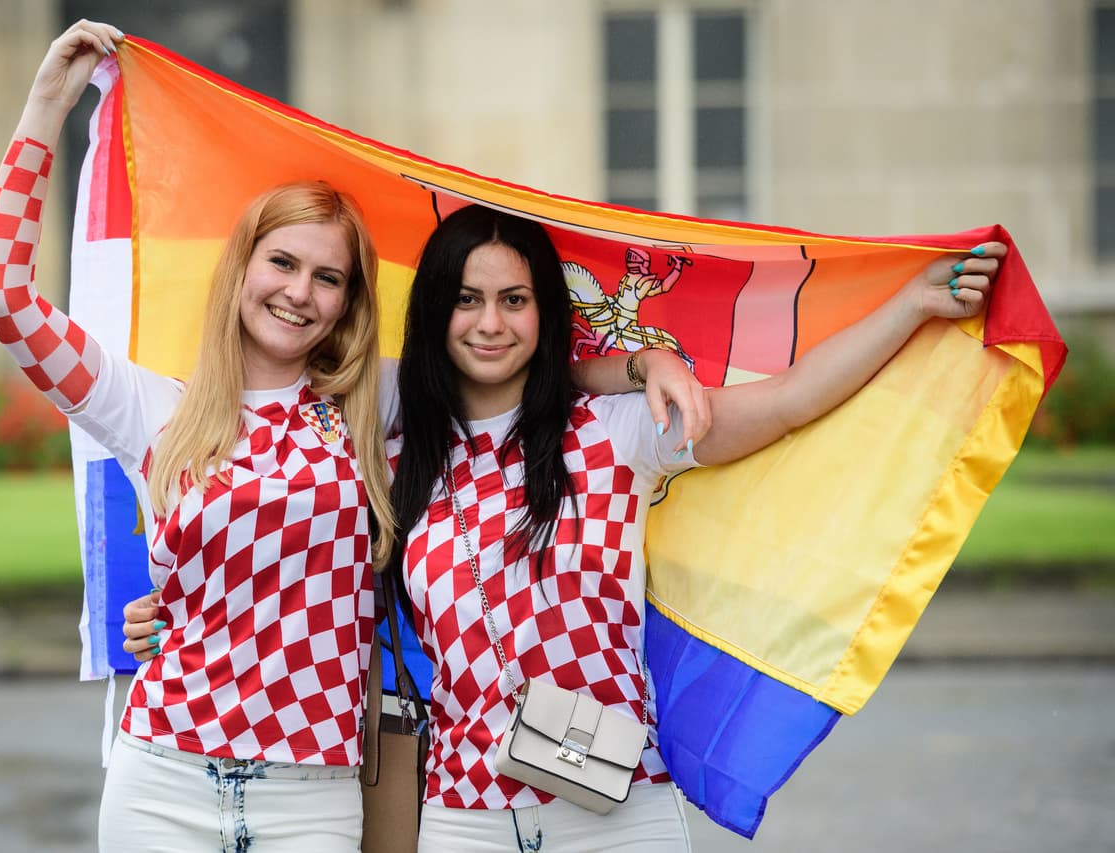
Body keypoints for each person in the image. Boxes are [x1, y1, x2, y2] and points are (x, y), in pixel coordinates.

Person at [382, 205, 1003, 852]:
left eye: (515, 299)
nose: (490, 322)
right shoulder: (394, 460)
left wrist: (912, 303)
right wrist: (638, 360)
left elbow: (789, 399)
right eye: (466, 299)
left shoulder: (612, 431)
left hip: (618, 812)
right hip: (463, 817)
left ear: (547, 313)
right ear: (433, 312)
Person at [0, 20, 399, 851]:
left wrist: (642, 372)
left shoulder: (371, 402)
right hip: (160, 773)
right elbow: (1, 297)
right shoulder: (149, 408)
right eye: (281, 263)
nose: (299, 292)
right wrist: (46, 104)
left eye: (328, 277)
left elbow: (513, 368)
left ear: (348, 303)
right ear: (240, 267)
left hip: (311, 791)